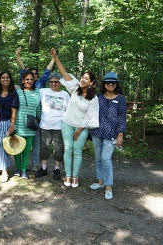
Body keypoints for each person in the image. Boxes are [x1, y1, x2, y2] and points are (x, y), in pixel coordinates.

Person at [51, 48, 99, 188]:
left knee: (77, 151)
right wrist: (55, 57)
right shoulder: (74, 88)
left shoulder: (94, 98)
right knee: (68, 149)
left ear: (91, 83)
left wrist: (79, 130)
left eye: (86, 78)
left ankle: (75, 177)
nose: (83, 79)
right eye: (83, 77)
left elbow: (91, 116)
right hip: (67, 123)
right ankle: (68, 175)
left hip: (82, 127)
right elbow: (64, 72)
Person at [16, 47, 55, 171]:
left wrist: (54, 58)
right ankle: (22, 167)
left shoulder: (40, 86)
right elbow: (23, 70)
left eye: (34, 75)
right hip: (22, 119)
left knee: (35, 144)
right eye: (29, 76)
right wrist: (17, 57)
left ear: (36, 77)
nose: (31, 78)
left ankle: (33, 165)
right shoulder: (22, 87)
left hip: (37, 118)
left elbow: (47, 71)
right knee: (22, 143)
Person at [90, 72, 126, 200]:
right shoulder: (98, 97)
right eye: (108, 82)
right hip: (96, 132)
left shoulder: (121, 98)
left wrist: (120, 134)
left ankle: (108, 187)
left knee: (106, 159)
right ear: (104, 84)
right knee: (98, 158)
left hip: (112, 134)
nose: (110, 84)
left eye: (113, 82)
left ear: (116, 84)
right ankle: (100, 182)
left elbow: (122, 117)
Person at [35, 72, 70, 180]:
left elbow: (69, 111)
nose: (53, 84)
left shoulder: (65, 95)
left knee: (58, 150)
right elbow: (30, 90)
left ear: (60, 83)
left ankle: (57, 169)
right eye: (51, 82)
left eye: (56, 82)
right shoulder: (43, 91)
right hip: (45, 126)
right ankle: (44, 169)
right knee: (44, 149)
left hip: (59, 127)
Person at [14, 71, 41, 179]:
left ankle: (24, 170)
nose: (29, 81)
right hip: (18, 124)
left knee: (26, 149)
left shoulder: (37, 92)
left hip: (31, 126)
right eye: (27, 79)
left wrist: (38, 122)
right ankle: (18, 169)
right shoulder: (18, 91)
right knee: (16, 148)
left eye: (31, 79)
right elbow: (14, 107)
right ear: (23, 81)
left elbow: (38, 109)